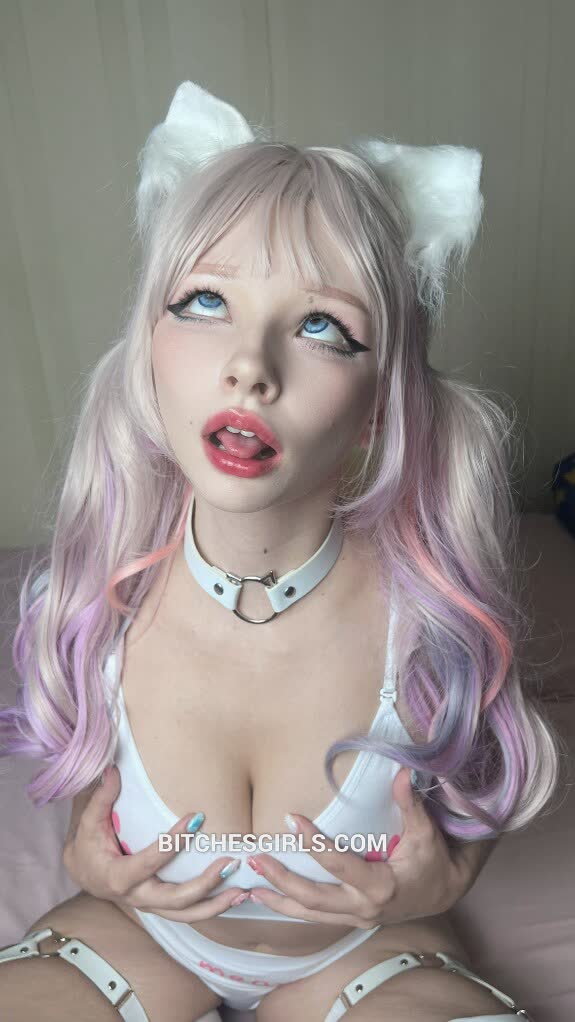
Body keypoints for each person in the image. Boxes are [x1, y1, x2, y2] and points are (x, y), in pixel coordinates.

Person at [0, 80, 559, 1022]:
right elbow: (91, 770)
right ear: (146, 348)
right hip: (134, 937)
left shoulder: (429, 615)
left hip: (366, 956)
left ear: (380, 401)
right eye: (204, 301)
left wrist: (445, 882)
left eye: (320, 326)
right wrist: (83, 858)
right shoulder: (89, 600)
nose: (249, 366)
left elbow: (479, 778)